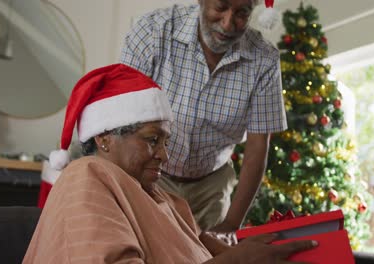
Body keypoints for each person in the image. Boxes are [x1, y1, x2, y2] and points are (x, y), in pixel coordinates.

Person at [23, 64, 317, 263]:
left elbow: (209, 252)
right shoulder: (85, 177)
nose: (165, 155)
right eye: (152, 140)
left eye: (166, 142)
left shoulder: (164, 199)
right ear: (104, 139)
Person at [120, 0, 286, 232]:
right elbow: (122, 119)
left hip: (211, 185)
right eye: (220, 7)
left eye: (241, 13)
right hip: (148, 169)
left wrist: (230, 224)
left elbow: (257, 149)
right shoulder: (152, 30)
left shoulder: (264, 60)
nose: (228, 25)